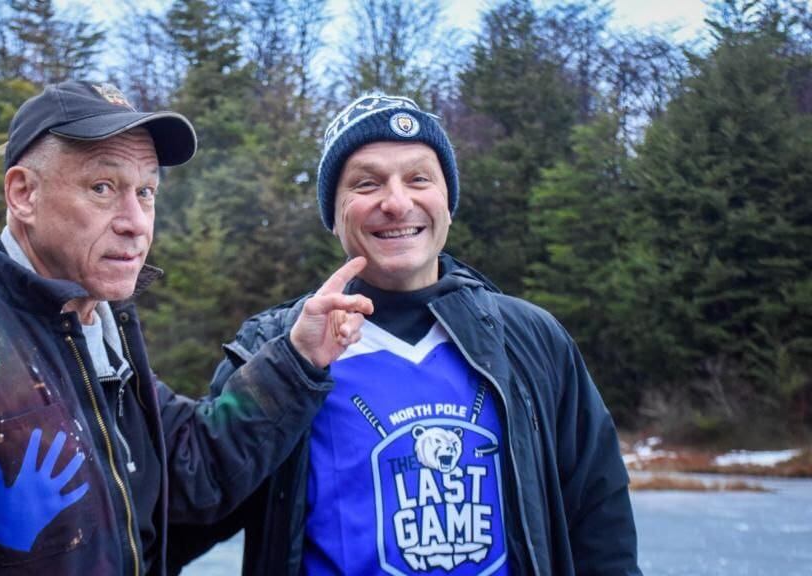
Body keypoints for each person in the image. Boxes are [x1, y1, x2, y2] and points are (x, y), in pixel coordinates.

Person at [0, 80, 373, 576]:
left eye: (145, 192)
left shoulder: (96, 330)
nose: (136, 223)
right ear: (23, 194)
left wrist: (297, 358)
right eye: (103, 188)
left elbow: (196, 471)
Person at [175, 94, 641, 575]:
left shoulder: (530, 340)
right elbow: (184, 510)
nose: (397, 203)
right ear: (333, 216)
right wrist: (291, 366)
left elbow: (598, 519)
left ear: (448, 204)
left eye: (419, 178)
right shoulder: (274, 347)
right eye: (366, 183)